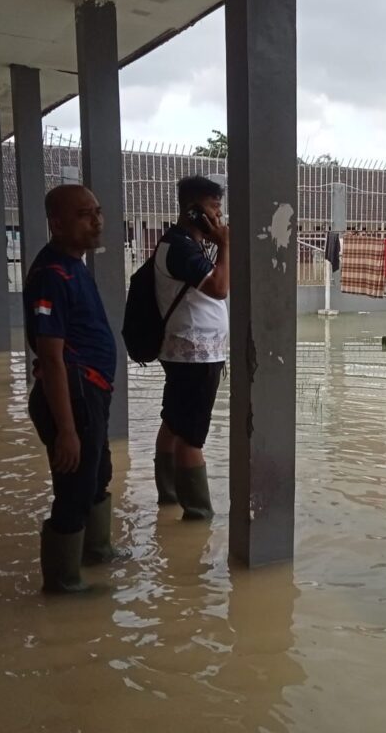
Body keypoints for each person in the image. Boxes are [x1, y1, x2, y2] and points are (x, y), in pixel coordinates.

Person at [24, 184, 126, 594]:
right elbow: (50, 357)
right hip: (73, 397)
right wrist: (66, 430)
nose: (97, 220)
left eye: (98, 211)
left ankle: (96, 551)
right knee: (74, 488)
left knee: (98, 473)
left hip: (90, 393)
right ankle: (63, 585)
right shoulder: (52, 275)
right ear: (57, 224)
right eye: (85, 214)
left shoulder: (74, 265)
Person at [153, 175, 230, 520]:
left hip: (189, 351)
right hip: (195, 354)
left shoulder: (183, 243)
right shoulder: (181, 247)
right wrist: (225, 245)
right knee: (191, 437)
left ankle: (169, 497)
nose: (218, 216)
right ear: (192, 209)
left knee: (173, 422)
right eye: (213, 207)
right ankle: (198, 517)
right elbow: (219, 288)